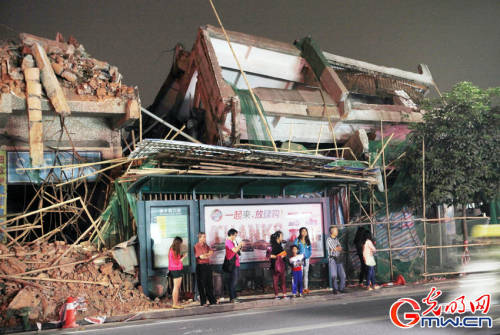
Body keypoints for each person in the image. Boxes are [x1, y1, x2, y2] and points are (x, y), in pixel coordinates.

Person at [194, 232, 217, 306]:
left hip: (207, 266)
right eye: (203, 237)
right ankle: (203, 302)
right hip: (201, 266)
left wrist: (207, 255)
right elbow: (201, 257)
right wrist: (207, 255)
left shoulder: (206, 245)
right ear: (199, 238)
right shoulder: (197, 246)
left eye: (205, 237)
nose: (205, 238)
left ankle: (212, 300)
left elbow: (211, 252)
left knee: (209, 284)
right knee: (201, 285)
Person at [225, 228, 243, 303]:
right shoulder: (228, 242)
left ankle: (234, 297)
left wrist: (239, 246)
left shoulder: (232, 241)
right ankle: (232, 298)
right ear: (231, 235)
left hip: (236, 263)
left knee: (235, 281)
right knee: (233, 281)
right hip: (232, 264)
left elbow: (237, 251)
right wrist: (240, 245)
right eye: (235, 235)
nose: (235, 237)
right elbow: (235, 250)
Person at [169, 236, 187, 309]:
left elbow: (176, 259)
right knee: (176, 287)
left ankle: (176, 303)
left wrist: (181, 256)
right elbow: (177, 261)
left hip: (175, 269)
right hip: (176, 269)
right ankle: (175, 304)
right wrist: (183, 257)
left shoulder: (172, 249)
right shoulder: (174, 250)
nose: (181, 245)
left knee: (176, 287)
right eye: (181, 243)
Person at [327, 226, 346, 294]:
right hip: (332, 259)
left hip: (339, 258)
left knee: (343, 275)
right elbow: (335, 248)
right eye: (336, 230)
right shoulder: (329, 239)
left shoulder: (336, 239)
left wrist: (337, 248)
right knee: (334, 275)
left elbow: (340, 248)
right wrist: (337, 248)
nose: (337, 232)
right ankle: (335, 289)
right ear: (332, 231)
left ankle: (341, 288)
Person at [294, 227, 312, 294]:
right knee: (299, 274)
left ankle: (305, 288)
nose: (304, 232)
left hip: (306, 259)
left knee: (306, 274)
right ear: (300, 232)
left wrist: (308, 255)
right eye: (302, 231)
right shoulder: (297, 240)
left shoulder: (308, 241)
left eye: (305, 231)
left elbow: (310, 250)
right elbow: (294, 249)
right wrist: (298, 254)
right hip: (299, 259)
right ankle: (299, 289)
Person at [270, 231, 287, 299]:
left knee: (281, 280)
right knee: (276, 281)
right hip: (276, 266)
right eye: (281, 236)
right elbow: (269, 256)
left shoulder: (279, 244)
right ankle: (277, 295)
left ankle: (283, 294)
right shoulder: (273, 246)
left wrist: (283, 255)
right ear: (277, 237)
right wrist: (279, 256)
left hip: (280, 264)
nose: (282, 237)